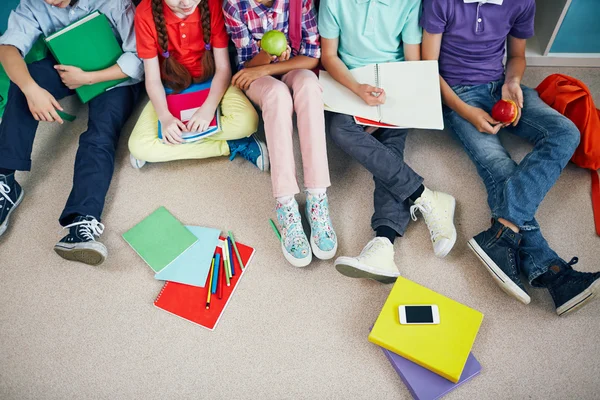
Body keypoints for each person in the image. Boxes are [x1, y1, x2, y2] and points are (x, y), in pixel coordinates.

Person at [421, 0, 600, 315]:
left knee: (567, 133)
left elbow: (516, 56)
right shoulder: (441, 3)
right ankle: (553, 273)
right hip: (459, 96)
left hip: (501, 89)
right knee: (503, 170)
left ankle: (502, 231)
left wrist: (512, 83)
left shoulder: (521, 2)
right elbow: (427, 66)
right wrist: (465, 111)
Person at [318, 0, 457, 283]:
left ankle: (383, 244)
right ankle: (426, 197)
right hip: (350, 82)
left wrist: (388, 108)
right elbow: (329, 56)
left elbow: (411, 62)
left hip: (393, 85)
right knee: (340, 130)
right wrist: (358, 91)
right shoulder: (333, 3)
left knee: (388, 148)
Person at [0, 0, 144, 266]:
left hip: (115, 77)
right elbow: (8, 48)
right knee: (24, 83)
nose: (51, 1)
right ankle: (5, 179)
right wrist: (32, 90)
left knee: (100, 136)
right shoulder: (32, 4)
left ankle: (81, 222)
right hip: (65, 66)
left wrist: (88, 78)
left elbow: (140, 56)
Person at [223, 0, 337, 267]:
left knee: (309, 86)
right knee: (276, 95)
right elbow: (247, 65)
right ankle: (286, 203)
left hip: (294, 66)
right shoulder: (234, 5)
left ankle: (317, 198)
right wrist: (266, 57)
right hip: (255, 74)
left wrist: (270, 67)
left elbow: (311, 56)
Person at [129, 0, 266, 171]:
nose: (186, 2)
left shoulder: (212, 4)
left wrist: (207, 110)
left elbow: (223, 69)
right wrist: (165, 118)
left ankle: (173, 145)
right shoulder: (145, 12)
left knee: (248, 122)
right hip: (172, 88)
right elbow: (153, 80)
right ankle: (231, 145)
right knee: (139, 147)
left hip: (214, 82)